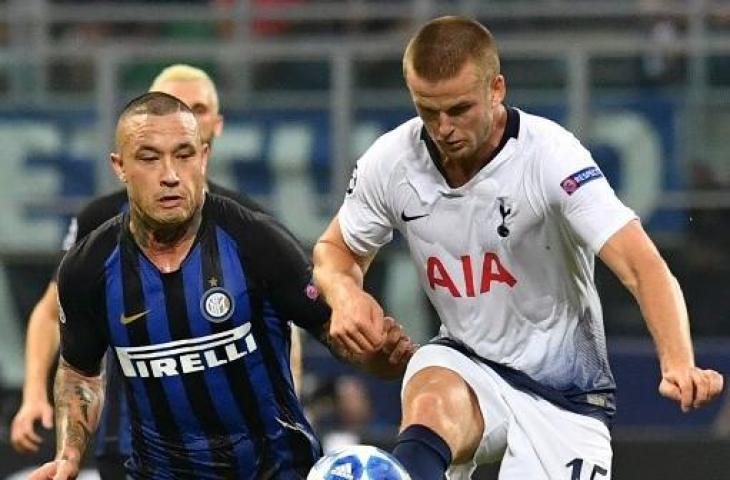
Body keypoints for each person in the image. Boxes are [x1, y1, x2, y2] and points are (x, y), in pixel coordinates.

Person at [312, 16, 724, 480]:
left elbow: (642, 266)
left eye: (459, 109)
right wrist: (345, 296)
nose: (443, 128)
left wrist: (677, 361)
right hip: (467, 361)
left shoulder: (551, 157)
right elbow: (334, 250)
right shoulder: (391, 161)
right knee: (430, 401)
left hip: (564, 394)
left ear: (497, 89)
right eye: (428, 111)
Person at [28, 92, 415, 480]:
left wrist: (377, 357)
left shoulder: (256, 240)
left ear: (204, 156)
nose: (170, 175)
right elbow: (79, 372)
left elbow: (330, 327)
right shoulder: (88, 267)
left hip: (276, 471)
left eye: (184, 154)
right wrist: (69, 456)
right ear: (120, 167)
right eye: (149, 157)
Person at [10, 64, 298, 478]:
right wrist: (34, 391)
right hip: (131, 443)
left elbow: (286, 329)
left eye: (197, 109)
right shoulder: (100, 223)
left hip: (251, 449)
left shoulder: (251, 225)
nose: (185, 118)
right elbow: (54, 310)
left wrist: (291, 402)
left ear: (214, 127)